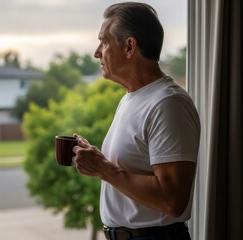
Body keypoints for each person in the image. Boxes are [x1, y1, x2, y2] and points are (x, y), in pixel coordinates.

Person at [72, 2, 200, 240]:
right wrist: (97, 161)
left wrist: (103, 169)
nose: (97, 52)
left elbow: (173, 200)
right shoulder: (132, 99)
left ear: (129, 47)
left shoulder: (168, 103)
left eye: (104, 42)